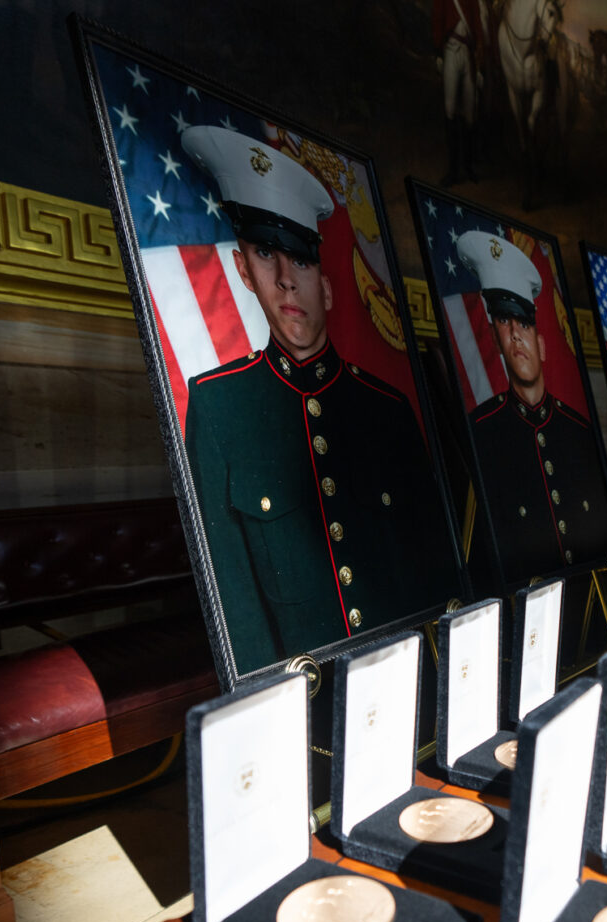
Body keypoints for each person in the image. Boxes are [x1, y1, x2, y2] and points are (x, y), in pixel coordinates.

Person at [179, 126, 456, 672]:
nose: (285, 281)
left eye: (301, 261)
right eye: (265, 255)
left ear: (326, 287)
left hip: (401, 683)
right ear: (244, 272)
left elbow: (432, 570)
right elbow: (235, 603)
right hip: (301, 708)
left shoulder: (388, 409)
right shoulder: (217, 409)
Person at [459, 230, 607, 580]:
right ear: (496, 340)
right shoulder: (481, 432)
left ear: (541, 345)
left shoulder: (579, 432)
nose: (515, 333)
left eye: (524, 322)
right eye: (503, 320)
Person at [433, 0, 485, 186]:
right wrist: (438, 53)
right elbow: (437, 20)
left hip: (468, 55)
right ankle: (453, 170)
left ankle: (468, 166)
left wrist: (479, 66)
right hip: (450, 51)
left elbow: (477, 25)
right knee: (450, 109)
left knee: (470, 113)